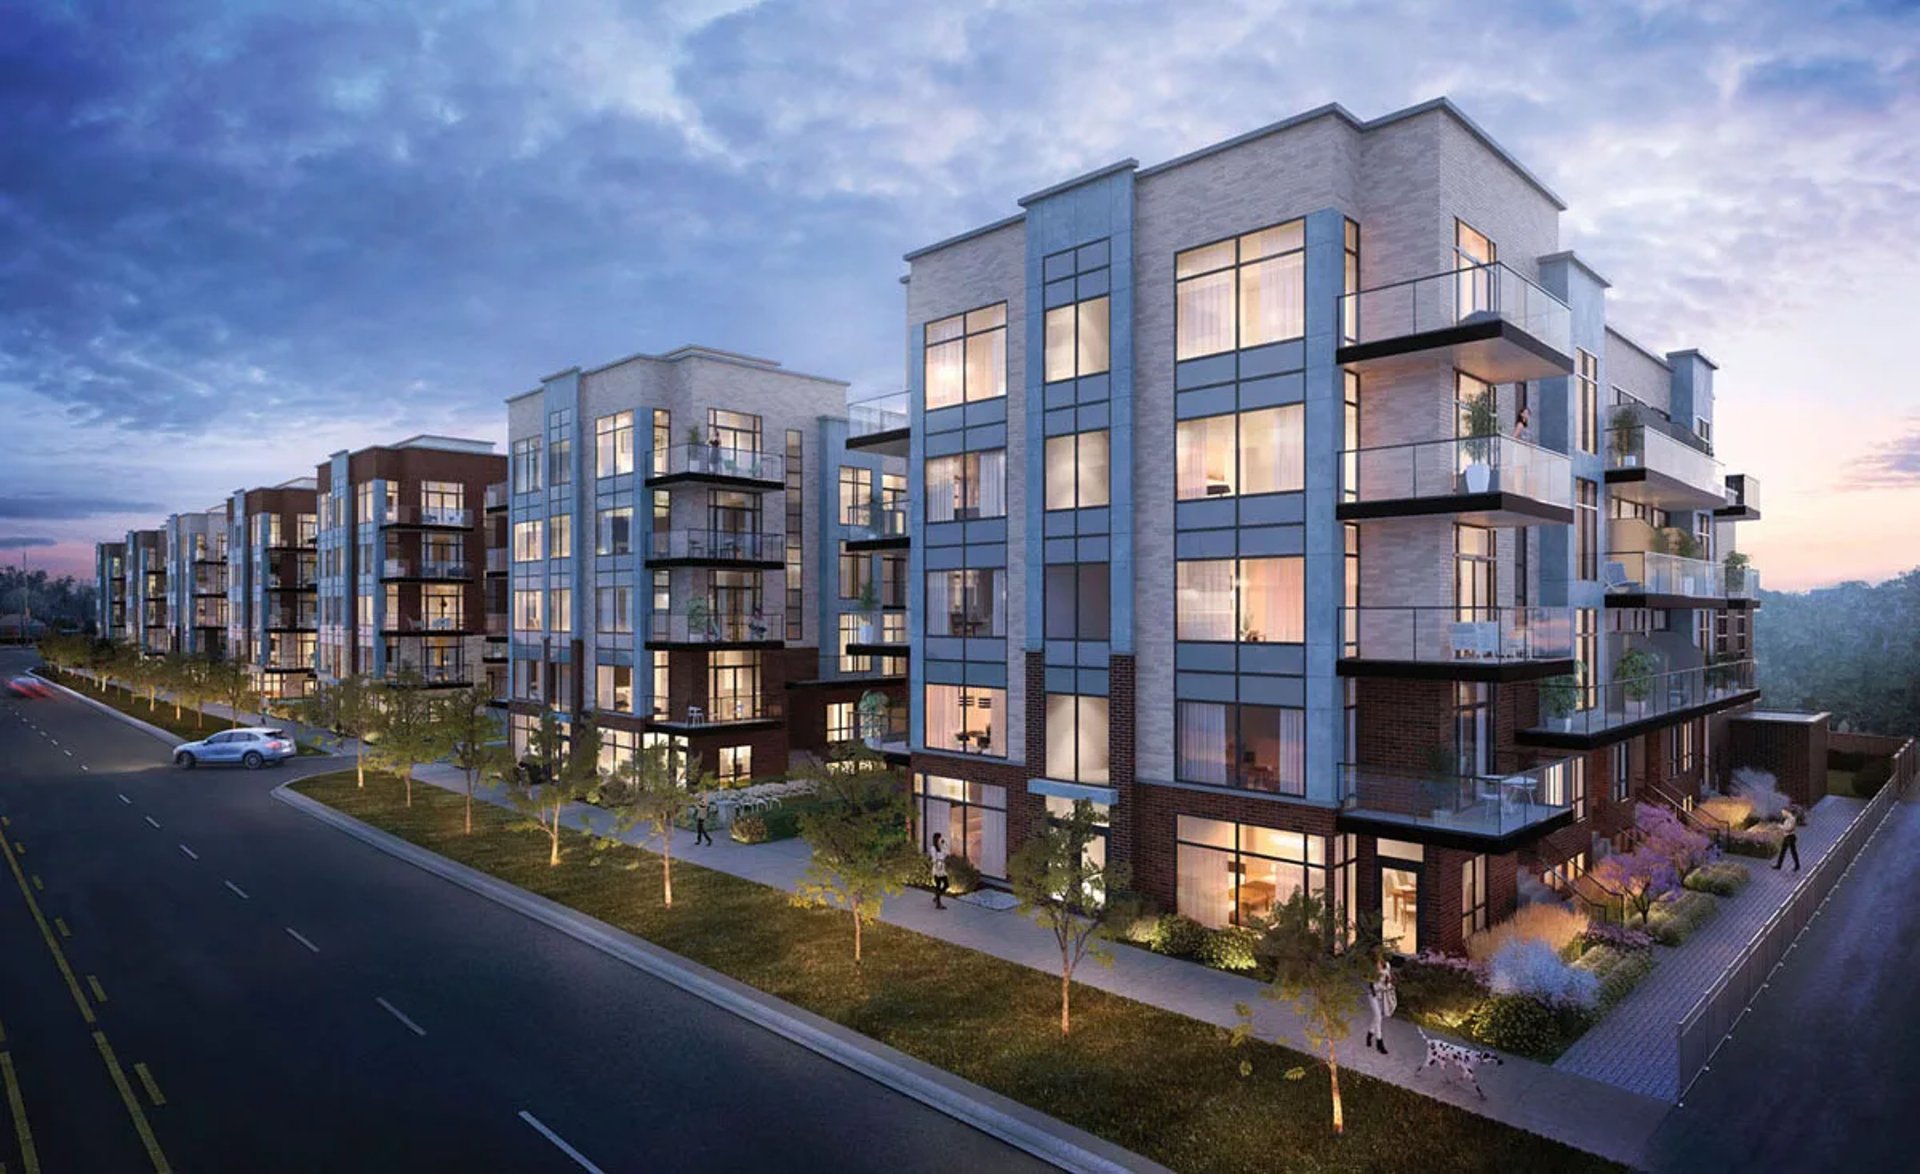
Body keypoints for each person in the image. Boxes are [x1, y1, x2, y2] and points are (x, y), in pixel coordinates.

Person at [1365, 953, 1396, 1055]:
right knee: (1378, 1017)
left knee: (1377, 1017)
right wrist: (1378, 986)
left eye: (1379, 962)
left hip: (1383, 995)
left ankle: (1369, 1034)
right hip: (1373, 996)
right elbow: (1372, 986)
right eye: (1376, 963)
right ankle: (1379, 1043)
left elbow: (1389, 980)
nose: (1377, 965)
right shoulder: (1372, 972)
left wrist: (1389, 981)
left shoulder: (1387, 965)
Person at [1774, 805, 1801, 872]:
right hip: (1786, 837)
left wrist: (1780, 826)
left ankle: (1797, 865)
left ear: (1787, 812)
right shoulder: (1787, 819)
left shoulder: (1792, 819)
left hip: (1790, 837)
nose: (1782, 814)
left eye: (1783, 812)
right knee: (1783, 851)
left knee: (1792, 852)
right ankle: (1779, 865)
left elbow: (1789, 828)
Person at [930, 832, 950, 910]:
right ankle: (938, 903)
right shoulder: (933, 848)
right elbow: (934, 858)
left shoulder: (941, 847)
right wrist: (937, 866)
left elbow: (946, 853)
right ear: (936, 839)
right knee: (938, 885)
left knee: (946, 885)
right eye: (939, 838)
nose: (941, 839)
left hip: (942, 867)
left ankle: (937, 896)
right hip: (937, 867)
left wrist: (944, 844)